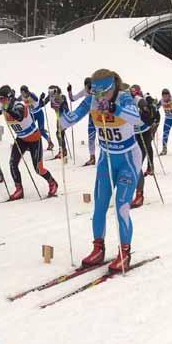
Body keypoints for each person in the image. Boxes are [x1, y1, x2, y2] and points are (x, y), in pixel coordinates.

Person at [56, 68, 142, 273]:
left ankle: (125, 252)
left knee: (122, 206)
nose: (99, 97)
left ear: (113, 88)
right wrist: (59, 109)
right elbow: (66, 122)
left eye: (103, 92)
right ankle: (98, 248)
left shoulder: (124, 97)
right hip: (106, 158)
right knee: (100, 205)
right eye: (96, 93)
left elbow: (137, 119)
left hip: (128, 159)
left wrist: (114, 108)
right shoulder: (92, 100)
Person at [0, 85, 58, 200]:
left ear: (9, 98)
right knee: (12, 164)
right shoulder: (3, 107)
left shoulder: (19, 106)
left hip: (34, 139)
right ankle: (19, 189)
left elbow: (19, 117)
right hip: (21, 139)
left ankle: (52, 182)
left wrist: (6, 109)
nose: (0, 101)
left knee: (38, 169)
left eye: (2, 99)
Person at [129, 85, 156, 208]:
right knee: (130, 165)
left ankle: (139, 195)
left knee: (136, 164)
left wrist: (147, 110)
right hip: (132, 134)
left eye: (134, 93)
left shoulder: (139, 100)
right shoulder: (125, 100)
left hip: (143, 133)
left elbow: (150, 114)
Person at [67, 77, 96, 165]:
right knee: (91, 136)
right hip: (91, 116)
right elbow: (73, 99)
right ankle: (92, 158)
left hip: (100, 115)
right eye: (87, 87)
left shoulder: (97, 91)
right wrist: (69, 91)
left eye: (90, 87)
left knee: (103, 136)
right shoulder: (84, 91)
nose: (88, 89)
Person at [19, 85, 54, 151]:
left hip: (39, 113)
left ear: (27, 91)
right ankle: (29, 145)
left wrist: (40, 97)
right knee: (30, 130)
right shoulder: (22, 97)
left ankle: (50, 142)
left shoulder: (31, 94)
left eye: (24, 92)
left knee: (41, 131)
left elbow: (36, 99)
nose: (23, 94)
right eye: (22, 92)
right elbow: (16, 99)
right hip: (32, 115)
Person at [43, 86, 69, 159]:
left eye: (51, 91)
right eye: (49, 91)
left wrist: (60, 106)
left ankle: (62, 151)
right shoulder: (50, 97)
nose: (50, 93)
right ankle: (63, 150)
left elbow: (66, 109)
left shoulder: (62, 96)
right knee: (60, 133)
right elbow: (42, 104)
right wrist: (41, 99)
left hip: (64, 116)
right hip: (58, 117)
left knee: (59, 133)